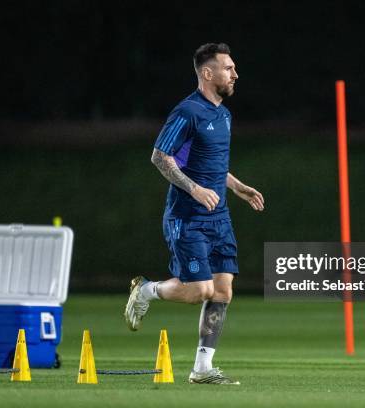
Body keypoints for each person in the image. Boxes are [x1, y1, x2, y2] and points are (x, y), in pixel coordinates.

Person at [124, 43, 264, 385]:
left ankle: (202, 369)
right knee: (200, 290)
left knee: (223, 291)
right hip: (187, 217)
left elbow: (212, 163)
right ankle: (146, 290)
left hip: (219, 217)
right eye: (228, 68)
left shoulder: (223, 115)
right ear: (207, 73)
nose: (235, 74)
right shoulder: (188, 112)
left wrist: (237, 186)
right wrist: (194, 189)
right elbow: (160, 156)